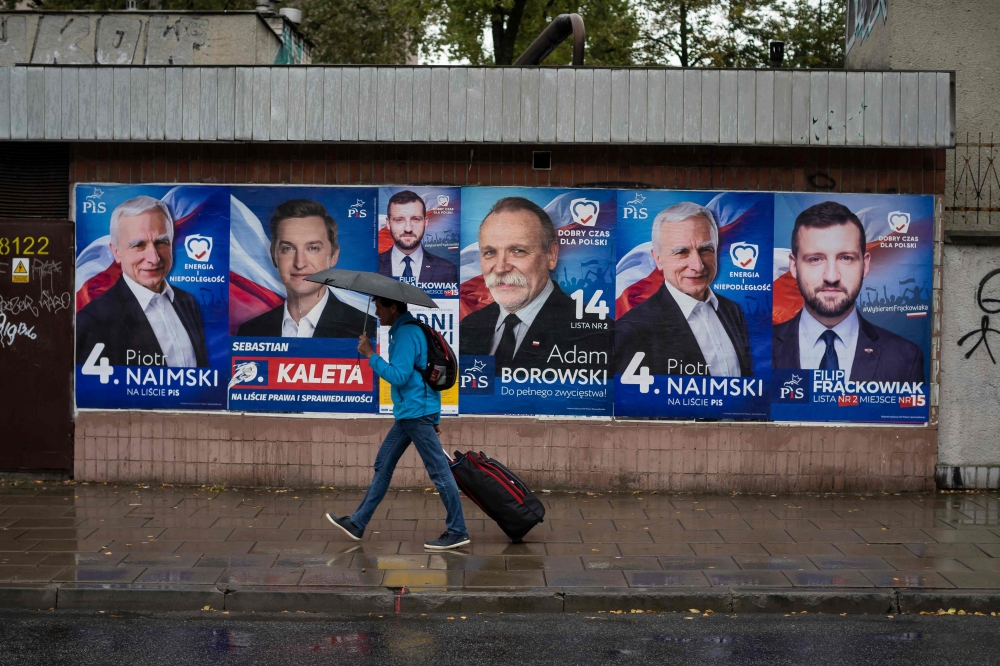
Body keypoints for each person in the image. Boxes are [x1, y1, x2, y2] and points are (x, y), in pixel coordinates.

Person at [325, 296, 470, 551]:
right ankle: (358, 523)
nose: (377, 312)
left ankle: (457, 531)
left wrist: (370, 354)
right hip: (411, 413)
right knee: (383, 463)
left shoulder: (405, 334)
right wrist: (433, 416)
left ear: (393, 307)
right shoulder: (407, 330)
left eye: (380, 307)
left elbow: (400, 377)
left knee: (439, 472)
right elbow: (422, 375)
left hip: (415, 413)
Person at [772, 201, 924, 382]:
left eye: (846, 258)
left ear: (865, 265)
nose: (831, 276)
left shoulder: (905, 358)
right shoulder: (759, 351)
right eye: (815, 259)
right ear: (794, 266)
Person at [460, 196, 604, 367]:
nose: (500, 268)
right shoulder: (469, 326)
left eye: (517, 251)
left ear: (551, 255)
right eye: (490, 252)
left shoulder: (597, 335)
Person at [615, 202, 752, 377]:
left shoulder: (732, 310)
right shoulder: (632, 330)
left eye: (706, 249)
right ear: (658, 259)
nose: (698, 265)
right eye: (681, 252)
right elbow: (632, 400)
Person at [76, 195, 209, 367]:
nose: (154, 258)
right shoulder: (91, 321)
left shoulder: (188, 302)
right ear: (116, 252)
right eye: (138, 245)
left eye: (161, 242)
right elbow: (93, 391)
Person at [236, 199, 376, 339]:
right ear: (274, 255)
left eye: (313, 248)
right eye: (288, 248)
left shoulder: (367, 330)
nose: (300, 263)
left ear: (334, 256)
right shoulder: (250, 331)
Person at [377, 190, 458, 284]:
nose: (408, 229)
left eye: (415, 219)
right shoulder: (373, 266)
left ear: (425, 222)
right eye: (399, 220)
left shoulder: (447, 270)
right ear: (388, 223)